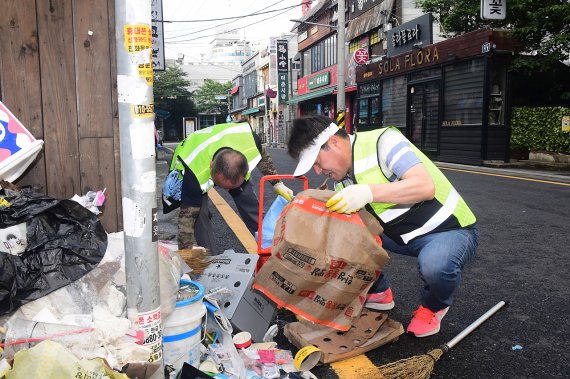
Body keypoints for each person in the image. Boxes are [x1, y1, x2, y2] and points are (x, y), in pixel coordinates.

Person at [287, 115, 478, 337]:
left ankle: (433, 307)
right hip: (399, 235)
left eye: (317, 162)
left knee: (435, 266)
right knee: (341, 235)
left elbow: (424, 187)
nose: (318, 171)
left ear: (335, 142)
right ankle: (379, 292)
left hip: (447, 229)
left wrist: (369, 192)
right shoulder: (342, 180)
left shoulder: (384, 141)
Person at [163, 121, 293, 254]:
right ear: (211, 165)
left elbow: (262, 156)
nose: (225, 191)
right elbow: (187, 217)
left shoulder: (250, 142)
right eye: (221, 186)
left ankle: (269, 246)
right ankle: (211, 259)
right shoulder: (193, 176)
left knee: (251, 206)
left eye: (230, 188)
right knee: (199, 216)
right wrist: (186, 247)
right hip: (191, 157)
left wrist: (277, 183)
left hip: (229, 156)